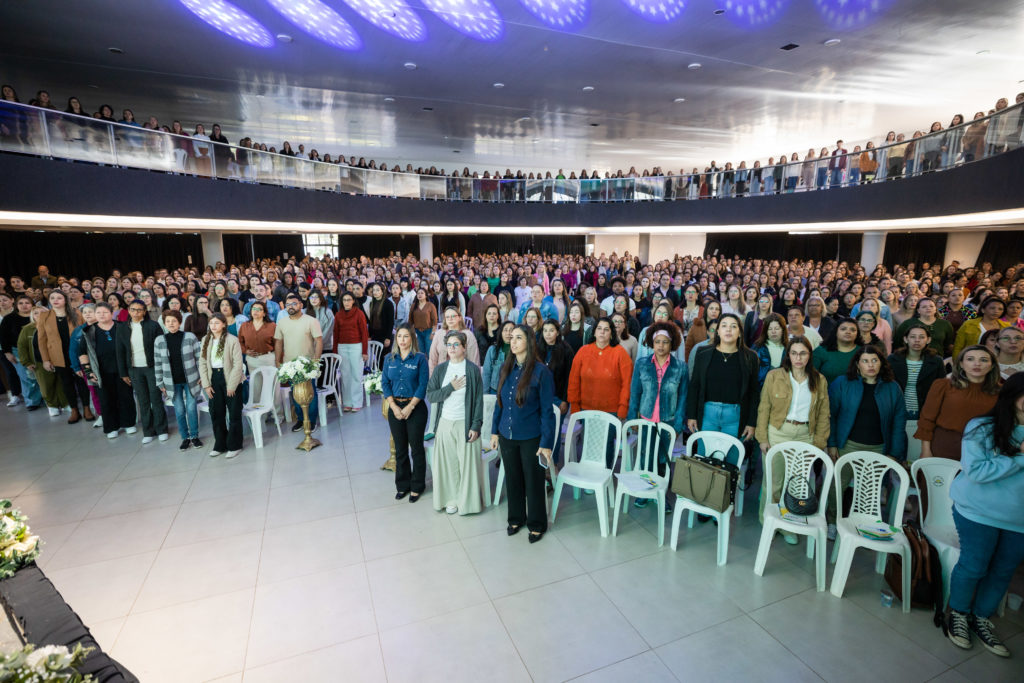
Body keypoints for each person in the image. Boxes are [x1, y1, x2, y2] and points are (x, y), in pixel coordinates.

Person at [944, 374, 1024, 659]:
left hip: (1019, 519)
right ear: (1013, 396)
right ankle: (957, 613)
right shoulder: (982, 427)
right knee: (974, 565)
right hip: (977, 511)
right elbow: (976, 472)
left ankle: (981, 617)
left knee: (1004, 570)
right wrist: (1019, 457)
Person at [755, 336, 830, 539]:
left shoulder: (819, 379)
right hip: (778, 432)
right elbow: (764, 407)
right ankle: (768, 522)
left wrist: (819, 443)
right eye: (794, 353)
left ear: (809, 355)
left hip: (805, 435)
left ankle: (788, 525)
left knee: (796, 484)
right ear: (788, 355)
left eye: (803, 353)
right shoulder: (774, 376)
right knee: (774, 482)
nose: (798, 358)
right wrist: (762, 438)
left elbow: (824, 413)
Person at [826, 346, 907, 532]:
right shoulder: (842, 383)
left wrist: (894, 453)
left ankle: (859, 525)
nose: (870, 365)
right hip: (847, 445)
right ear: (857, 364)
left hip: (878, 449)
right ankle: (832, 521)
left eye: (874, 361)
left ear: (881, 363)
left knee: (868, 492)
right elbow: (831, 415)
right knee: (837, 486)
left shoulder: (892, 388)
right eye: (865, 361)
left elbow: (898, 423)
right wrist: (832, 444)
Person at [490, 325, 556, 542]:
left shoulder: (541, 372)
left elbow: (547, 412)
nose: (513, 341)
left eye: (519, 337)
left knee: (533, 481)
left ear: (529, 341)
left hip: (531, 437)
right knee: (513, 479)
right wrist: (494, 432)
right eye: (512, 337)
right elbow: (499, 403)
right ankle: (516, 518)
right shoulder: (506, 367)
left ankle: (537, 523)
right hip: (507, 435)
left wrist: (546, 443)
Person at [626, 321, 687, 506]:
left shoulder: (680, 367)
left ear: (672, 344)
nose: (661, 346)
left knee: (663, 459)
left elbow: (683, 397)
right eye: (657, 342)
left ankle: (661, 495)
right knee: (646, 456)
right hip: (646, 419)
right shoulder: (642, 364)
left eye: (665, 342)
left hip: (668, 420)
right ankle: (645, 492)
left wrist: (678, 424)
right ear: (652, 343)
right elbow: (635, 392)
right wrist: (632, 418)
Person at [686, 313, 760, 464]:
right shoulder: (703, 353)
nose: (728, 330)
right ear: (718, 331)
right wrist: (691, 415)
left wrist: (751, 423)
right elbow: (694, 386)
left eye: (733, 326)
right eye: (724, 326)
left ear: (740, 332)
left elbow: (754, 392)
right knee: (704, 460)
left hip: (735, 416)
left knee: (731, 462)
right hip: (708, 414)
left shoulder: (750, 357)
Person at [426, 330, 484, 514]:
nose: (451, 348)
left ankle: (466, 503)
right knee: (449, 464)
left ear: (464, 347)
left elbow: (478, 400)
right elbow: (431, 395)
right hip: (445, 423)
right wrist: (450, 387)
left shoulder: (472, 370)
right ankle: (451, 499)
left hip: (464, 423)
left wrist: (476, 425)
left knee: (467, 466)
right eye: (449, 345)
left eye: (456, 344)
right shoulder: (440, 369)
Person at [568, 317, 633, 467]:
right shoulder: (583, 351)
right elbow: (573, 381)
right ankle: (588, 474)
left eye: (606, 329)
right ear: (594, 332)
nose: (602, 332)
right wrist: (575, 407)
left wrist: (623, 408)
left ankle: (606, 474)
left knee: (606, 445)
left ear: (611, 334)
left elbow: (627, 384)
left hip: (611, 410)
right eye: (599, 329)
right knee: (588, 443)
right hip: (586, 408)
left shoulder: (620, 353)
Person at [916, 346, 1001, 460]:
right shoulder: (943, 385)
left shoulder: (1001, 392)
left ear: (992, 365)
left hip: (983, 450)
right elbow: (927, 420)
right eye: (970, 359)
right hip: (945, 447)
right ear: (961, 364)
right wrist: (926, 450)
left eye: (984, 360)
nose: (977, 364)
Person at [381, 324, 429, 502]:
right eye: (399, 336)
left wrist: (410, 407)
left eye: (406, 336)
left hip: (415, 407)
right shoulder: (389, 359)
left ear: (412, 338)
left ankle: (417, 486)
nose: (402, 340)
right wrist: (394, 407)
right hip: (395, 407)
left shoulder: (420, 359)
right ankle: (402, 485)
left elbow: (423, 385)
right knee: (400, 449)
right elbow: (385, 383)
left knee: (416, 448)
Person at [78, 303, 136, 439]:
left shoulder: (122, 326)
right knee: (105, 399)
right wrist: (88, 371)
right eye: (98, 312)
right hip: (101, 371)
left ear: (111, 313)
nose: (101, 315)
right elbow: (82, 352)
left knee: (125, 397)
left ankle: (128, 424)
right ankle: (111, 427)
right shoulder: (88, 331)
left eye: (105, 312)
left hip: (122, 369)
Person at [889, 324, 945, 462]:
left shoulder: (936, 361)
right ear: (905, 339)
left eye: (921, 337)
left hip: (924, 410)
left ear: (928, 340)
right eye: (913, 337)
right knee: (897, 446)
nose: (917, 340)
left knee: (917, 448)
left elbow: (941, 388)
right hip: (898, 409)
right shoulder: (893, 359)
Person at [36, 291, 94, 424]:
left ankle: (86, 408)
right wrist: (45, 360)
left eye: (59, 298)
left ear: (65, 300)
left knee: (82, 382)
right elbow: (41, 340)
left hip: (77, 354)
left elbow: (86, 331)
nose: (55, 300)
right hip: (57, 356)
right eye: (52, 298)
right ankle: (74, 410)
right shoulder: (44, 316)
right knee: (66, 383)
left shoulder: (76, 313)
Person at [115, 299, 168, 443]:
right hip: (134, 369)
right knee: (143, 400)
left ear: (144, 312)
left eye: (139, 310)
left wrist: (163, 368)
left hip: (152, 368)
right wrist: (123, 373)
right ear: (129, 311)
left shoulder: (153, 326)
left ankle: (162, 429)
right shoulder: (122, 328)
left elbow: (162, 347)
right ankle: (148, 432)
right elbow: (119, 351)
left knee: (156, 399)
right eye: (133, 309)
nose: (136, 312)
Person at [153, 309, 203, 450]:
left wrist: (202, 376)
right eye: (168, 321)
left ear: (179, 322)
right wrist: (160, 382)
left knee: (191, 408)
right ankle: (185, 437)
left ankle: (194, 436)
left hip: (191, 380)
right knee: (180, 410)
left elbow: (199, 358)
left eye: (174, 321)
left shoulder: (190, 337)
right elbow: (157, 363)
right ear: (164, 323)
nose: (171, 323)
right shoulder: (159, 340)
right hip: (171, 382)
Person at [276, 293, 324, 429]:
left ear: (301, 305)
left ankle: (312, 420)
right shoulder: (282, 322)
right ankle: (301, 419)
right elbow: (278, 342)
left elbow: (318, 341)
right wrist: (277, 360)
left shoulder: (311, 320)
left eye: (294, 304)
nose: (290, 307)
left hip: (307, 364)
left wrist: (315, 361)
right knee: (295, 392)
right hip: (290, 365)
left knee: (310, 392)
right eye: (288, 304)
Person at [199, 313, 244, 458]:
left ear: (224, 324)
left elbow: (238, 365)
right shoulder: (206, 340)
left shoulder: (232, 340)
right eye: (211, 323)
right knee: (216, 413)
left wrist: (231, 386)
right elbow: (202, 363)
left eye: (217, 323)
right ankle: (220, 444)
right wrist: (206, 385)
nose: (213, 326)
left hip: (231, 378)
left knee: (234, 413)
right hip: (214, 378)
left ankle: (235, 445)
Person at [238, 301, 279, 418]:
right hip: (252, 360)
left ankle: (277, 414)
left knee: (272, 387)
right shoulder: (245, 326)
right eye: (253, 309)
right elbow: (239, 342)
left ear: (264, 313)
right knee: (256, 388)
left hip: (268, 358)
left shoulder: (272, 326)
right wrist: (245, 351)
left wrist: (278, 360)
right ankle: (261, 415)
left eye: (259, 309)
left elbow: (278, 344)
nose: (255, 311)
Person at [1, 295, 41, 411]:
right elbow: (3, 337)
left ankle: (45, 398)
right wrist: (7, 352)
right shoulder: (9, 318)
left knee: (40, 375)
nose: (24, 305)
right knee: (26, 376)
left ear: (32, 305)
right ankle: (32, 401)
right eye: (21, 303)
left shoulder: (38, 316)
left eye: (27, 303)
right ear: (16, 305)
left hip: (38, 350)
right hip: (17, 351)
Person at [429, 306, 480, 371]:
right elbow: (433, 359)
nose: (450, 319)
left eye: (453, 316)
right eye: (447, 317)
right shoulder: (438, 334)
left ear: (460, 318)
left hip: (463, 373)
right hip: (442, 373)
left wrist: (473, 375)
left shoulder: (468, 335)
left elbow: (474, 360)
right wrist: (432, 375)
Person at [813, 318, 861, 386]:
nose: (848, 332)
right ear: (835, 331)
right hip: (825, 391)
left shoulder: (863, 352)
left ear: (857, 333)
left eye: (853, 330)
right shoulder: (821, 351)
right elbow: (811, 376)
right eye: (843, 329)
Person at [753, 313, 787, 386]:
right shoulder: (757, 348)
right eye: (770, 329)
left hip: (783, 388)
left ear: (783, 330)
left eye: (777, 328)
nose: (773, 331)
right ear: (765, 331)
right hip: (761, 388)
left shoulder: (790, 349)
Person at [482, 321, 514, 394]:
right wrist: (485, 393)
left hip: (512, 391)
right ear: (501, 333)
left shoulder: (518, 350)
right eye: (505, 330)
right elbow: (486, 373)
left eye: (511, 330)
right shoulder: (492, 350)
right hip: (494, 390)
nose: (508, 333)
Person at [364, 283, 394, 352]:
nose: (375, 292)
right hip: (375, 335)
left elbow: (390, 322)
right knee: (376, 356)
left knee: (384, 356)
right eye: (374, 290)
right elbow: (371, 320)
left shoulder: (388, 303)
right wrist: (369, 335)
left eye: (377, 290)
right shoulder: (372, 303)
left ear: (382, 291)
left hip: (384, 335)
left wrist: (388, 338)